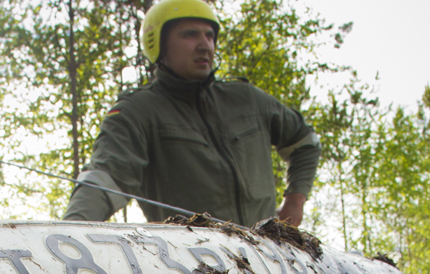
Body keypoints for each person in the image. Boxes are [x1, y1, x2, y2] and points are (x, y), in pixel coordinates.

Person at [62, 0, 320, 227]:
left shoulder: (247, 99)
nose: (204, 45)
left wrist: (295, 200)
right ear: (158, 45)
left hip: (268, 259)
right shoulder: (139, 111)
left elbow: (305, 143)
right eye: (189, 35)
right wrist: (67, 236)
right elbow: (104, 180)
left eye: (209, 36)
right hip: (193, 269)